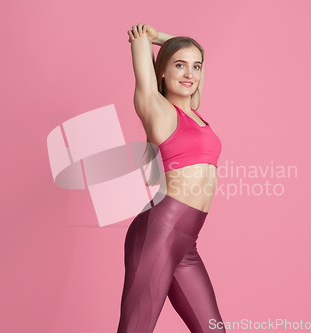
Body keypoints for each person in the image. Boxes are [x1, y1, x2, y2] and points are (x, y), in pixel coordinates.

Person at [117, 23, 226, 333]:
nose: (190, 73)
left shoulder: (194, 111)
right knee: (136, 327)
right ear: (162, 71)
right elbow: (139, 41)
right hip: (158, 233)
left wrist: (171, 44)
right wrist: (150, 38)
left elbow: (197, 51)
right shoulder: (157, 108)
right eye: (179, 65)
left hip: (186, 242)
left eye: (196, 67)